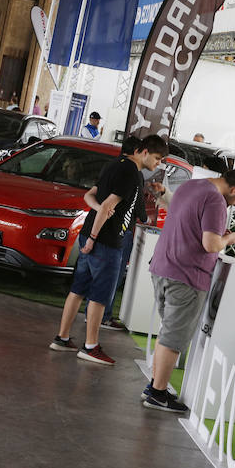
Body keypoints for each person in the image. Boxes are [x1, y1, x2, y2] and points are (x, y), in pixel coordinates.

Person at [50, 134, 168, 365]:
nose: (158, 163)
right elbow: (107, 205)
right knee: (99, 296)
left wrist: (93, 227)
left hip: (93, 236)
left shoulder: (113, 165)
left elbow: (91, 196)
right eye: (157, 158)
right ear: (142, 152)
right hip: (106, 241)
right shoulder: (130, 173)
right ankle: (90, 346)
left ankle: (62, 338)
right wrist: (94, 236)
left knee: (78, 289)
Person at [142, 168, 235, 412]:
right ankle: (158, 393)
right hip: (187, 276)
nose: (234, 205)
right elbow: (211, 244)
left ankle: (154, 386)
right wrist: (229, 239)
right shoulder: (216, 200)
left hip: (162, 266)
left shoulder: (190, 186)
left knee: (168, 329)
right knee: (174, 337)